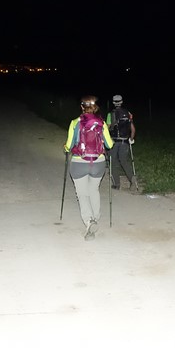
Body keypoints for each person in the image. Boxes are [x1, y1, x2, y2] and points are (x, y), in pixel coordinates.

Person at [64, 95, 113, 241]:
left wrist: (65, 148)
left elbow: (69, 145)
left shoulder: (74, 123)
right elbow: (109, 144)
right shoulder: (102, 123)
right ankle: (95, 218)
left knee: (82, 193)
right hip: (98, 163)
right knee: (94, 190)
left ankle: (89, 220)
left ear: (81, 107)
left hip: (79, 163)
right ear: (96, 106)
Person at [105, 94, 138, 192]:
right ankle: (133, 181)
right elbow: (133, 128)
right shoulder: (128, 113)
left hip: (114, 141)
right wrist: (131, 138)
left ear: (113, 103)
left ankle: (116, 184)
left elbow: (107, 128)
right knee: (124, 161)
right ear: (122, 102)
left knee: (113, 161)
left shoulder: (110, 114)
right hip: (125, 141)